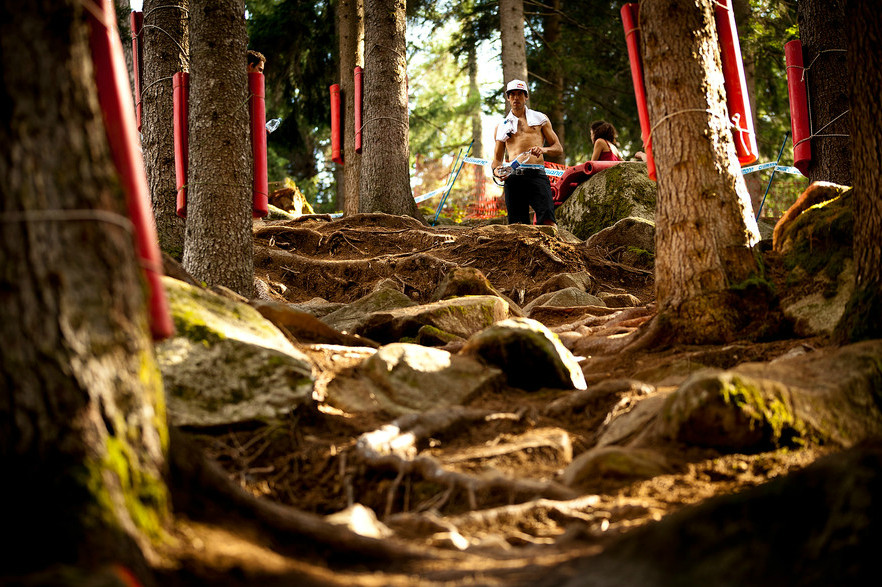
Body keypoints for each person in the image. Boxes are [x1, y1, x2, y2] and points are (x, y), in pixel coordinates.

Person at [492, 79, 564, 226]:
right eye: (512, 94)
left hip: (536, 174)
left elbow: (558, 148)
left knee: (548, 221)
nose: (516, 98)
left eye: (520, 94)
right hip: (513, 177)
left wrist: (543, 149)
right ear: (508, 98)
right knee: (517, 227)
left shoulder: (540, 118)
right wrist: (496, 172)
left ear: (526, 96)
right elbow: (497, 160)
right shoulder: (501, 126)